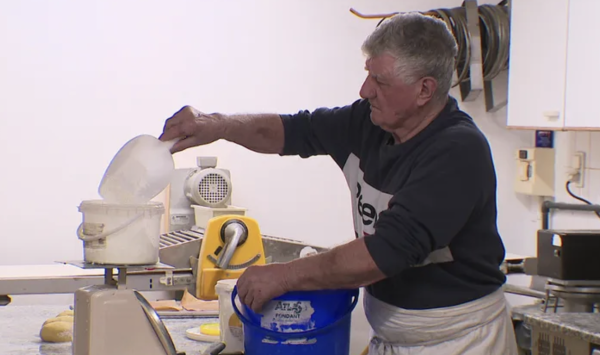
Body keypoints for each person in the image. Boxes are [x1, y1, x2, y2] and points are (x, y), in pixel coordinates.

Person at [159, 12, 518, 355]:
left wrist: (283, 276)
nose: (365, 90)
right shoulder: (369, 122)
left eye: (380, 81)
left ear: (424, 90)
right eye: (368, 74)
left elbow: (383, 254)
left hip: (460, 341)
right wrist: (216, 125)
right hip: (395, 335)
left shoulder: (456, 151)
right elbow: (293, 131)